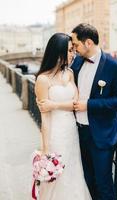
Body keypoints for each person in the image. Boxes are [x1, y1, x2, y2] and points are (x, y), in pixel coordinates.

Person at [70, 23, 117, 200]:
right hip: (78, 132)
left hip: (101, 135)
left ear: (88, 43)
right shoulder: (77, 62)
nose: (73, 48)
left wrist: (89, 104)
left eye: (75, 44)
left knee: (103, 184)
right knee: (86, 179)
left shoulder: (114, 66)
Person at [35, 33, 92, 200]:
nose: (72, 53)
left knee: (73, 172)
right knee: (57, 177)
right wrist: (45, 149)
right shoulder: (43, 80)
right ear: (58, 51)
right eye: (69, 50)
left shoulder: (70, 73)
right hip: (55, 133)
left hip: (71, 131)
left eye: (73, 49)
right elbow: (45, 118)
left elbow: (75, 102)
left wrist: (55, 105)